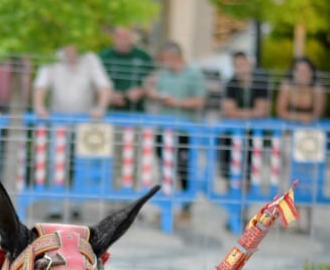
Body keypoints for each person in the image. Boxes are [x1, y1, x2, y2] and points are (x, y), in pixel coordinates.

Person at [143, 41, 206, 212]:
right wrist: (153, 91)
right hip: (164, 131)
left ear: (176, 57)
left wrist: (176, 102)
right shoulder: (162, 74)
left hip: (186, 131)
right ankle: (166, 207)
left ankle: (186, 207)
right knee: (164, 169)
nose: (164, 63)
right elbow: (149, 89)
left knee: (184, 169)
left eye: (166, 59)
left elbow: (200, 100)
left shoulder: (194, 74)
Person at [218, 51, 271, 181]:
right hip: (233, 133)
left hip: (255, 132)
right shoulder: (231, 83)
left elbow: (263, 111)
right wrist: (252, 113)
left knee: (250, 165)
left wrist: (238, 113)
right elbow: (228, 111)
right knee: (228, 163)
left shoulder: (260, 82)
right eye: (237, 65)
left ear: (249, 63)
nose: (241, 68)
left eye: (243, 64)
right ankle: (230, 187)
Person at [32, 45, 111, 119]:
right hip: (57, 121)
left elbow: (104, 87)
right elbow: (40, 86)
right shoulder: (51, 57)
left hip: (86, 121)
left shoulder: (90, 58)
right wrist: (39, 108)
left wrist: (100, 108)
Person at [99, 27, 155, 113]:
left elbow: (152, 79)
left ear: (132, 37)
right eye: (120, 37)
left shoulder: (143, 56)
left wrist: (142, 91)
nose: (123, 41)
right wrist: (110, 95)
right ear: (114, 38)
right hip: (110, 110)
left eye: (126, 37)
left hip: (137, 110)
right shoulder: (104, 57)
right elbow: (96, 82)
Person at [275, 56, 326, 124]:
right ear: (293, 73)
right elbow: (280, 112)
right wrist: (301, 117)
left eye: (307, 71)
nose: (303, 74)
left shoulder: (318, 89)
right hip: (288, 125)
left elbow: (318, 114)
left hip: (311, 126)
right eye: (299, 71)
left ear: (312, 73)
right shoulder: (287, 87)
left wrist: (292, 116)